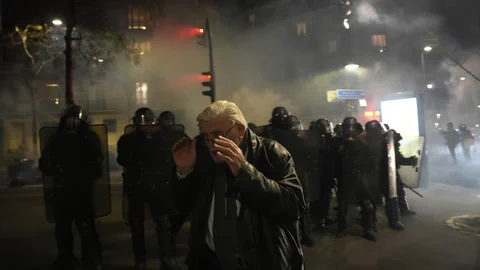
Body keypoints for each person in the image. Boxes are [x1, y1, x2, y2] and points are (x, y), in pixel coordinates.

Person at [172, 100, 306, 270]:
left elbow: (292, 207)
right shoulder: (202, 154)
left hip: (259, 262)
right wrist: (183, 172)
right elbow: (182, 206)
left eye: (218, 134)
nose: (211, 143)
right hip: (211, 261)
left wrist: (244, 171)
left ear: (240, 130)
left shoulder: (270, 153)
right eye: (206, 136)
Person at [39, 105, 103, 270]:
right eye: (69, 119)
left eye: (75, 119)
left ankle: (91, 258)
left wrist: (86, 173)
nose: (72, 122)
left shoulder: (89, 137)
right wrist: (52, 168)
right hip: (63, 188)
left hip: (82, 189)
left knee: (86, 227)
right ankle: (65, 257)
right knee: (63, 227)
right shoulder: (56, 139)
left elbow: (97, 163)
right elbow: (46, 162)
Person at [117, 108, 180, 270]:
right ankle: (141, 260)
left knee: (164, 224)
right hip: (137, 185)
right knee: (137, 225)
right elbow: (123, 160)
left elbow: (169, 160)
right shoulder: (127, 140)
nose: (145, 125)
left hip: (157, 186)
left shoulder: (162, 139)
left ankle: (166, 258)